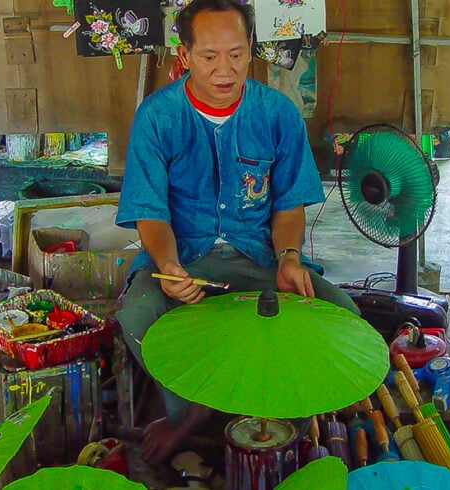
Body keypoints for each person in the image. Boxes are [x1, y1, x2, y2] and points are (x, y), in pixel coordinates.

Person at [114, 0, 359, 466]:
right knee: (139, 316)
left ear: (251, 48)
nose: (224, 70)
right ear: (184, 55)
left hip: (258, 260)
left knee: (341, 314)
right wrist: (167, 267)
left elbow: (288, 206)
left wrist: (288, 257)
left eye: (236, 54)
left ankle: (272, 417)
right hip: (184, 258)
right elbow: (149, 212)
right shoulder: (157, 116)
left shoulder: (278, 114)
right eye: (208, 57)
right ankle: (191, 418)